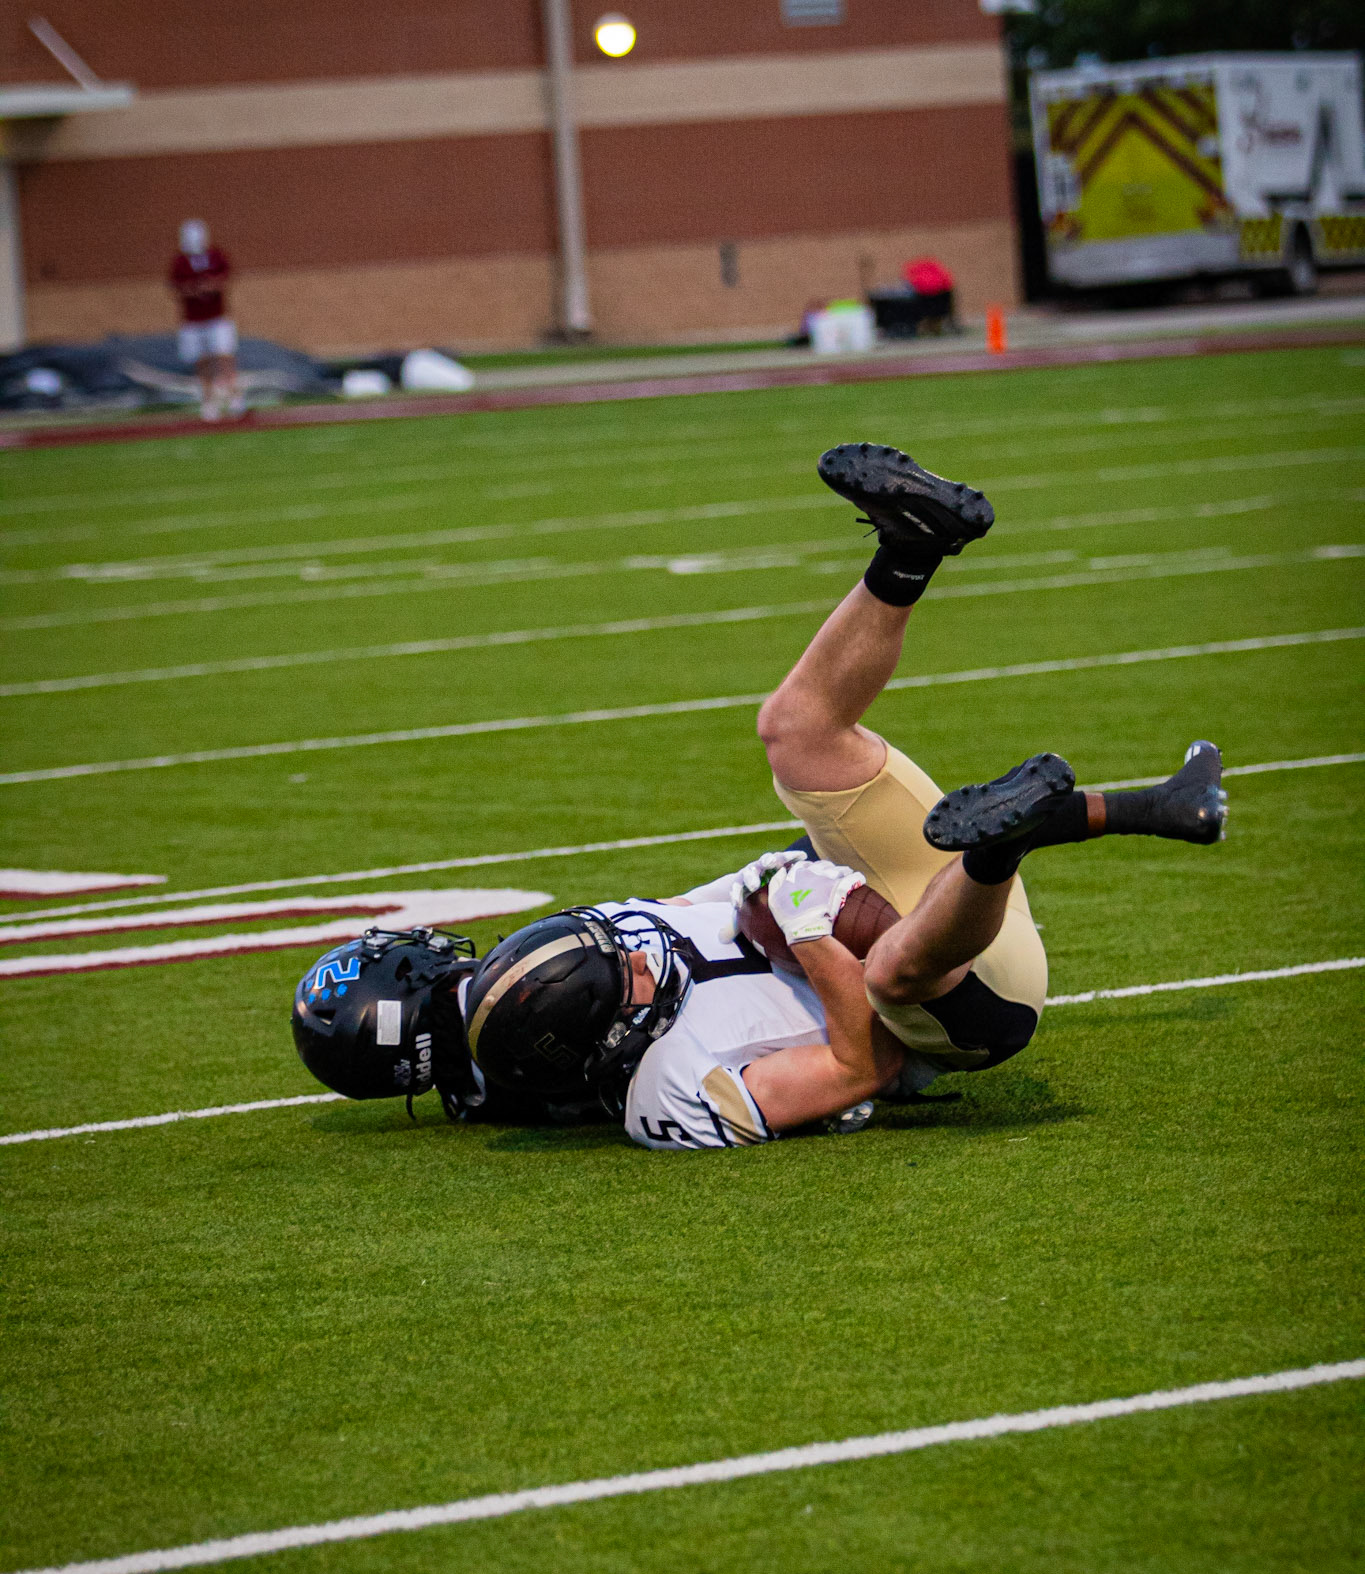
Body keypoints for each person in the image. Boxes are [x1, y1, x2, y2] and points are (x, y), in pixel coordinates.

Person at [291, 444, 1227, 1148]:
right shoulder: (660, 1093)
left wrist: (783, 890)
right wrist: (809, 932)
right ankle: (997, 849)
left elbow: (733, 910)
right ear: (614, 1036)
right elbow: (869, 1065)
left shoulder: (556, 971)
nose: (636, 953)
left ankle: (912, 553)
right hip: (960, 1004)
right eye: (629, 972)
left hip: (864, 904)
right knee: (892, 967)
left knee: (794, 733)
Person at [169, 218, 243, 422]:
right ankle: (209, 402)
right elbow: (176, 287)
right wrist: (196, 289)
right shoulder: (180, 262)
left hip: (217, 318)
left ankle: (234, 397)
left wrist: (211, 285)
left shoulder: (215, 256)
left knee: (225, 357)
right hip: (193, 321)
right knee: (202, 362)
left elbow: (225, 277)